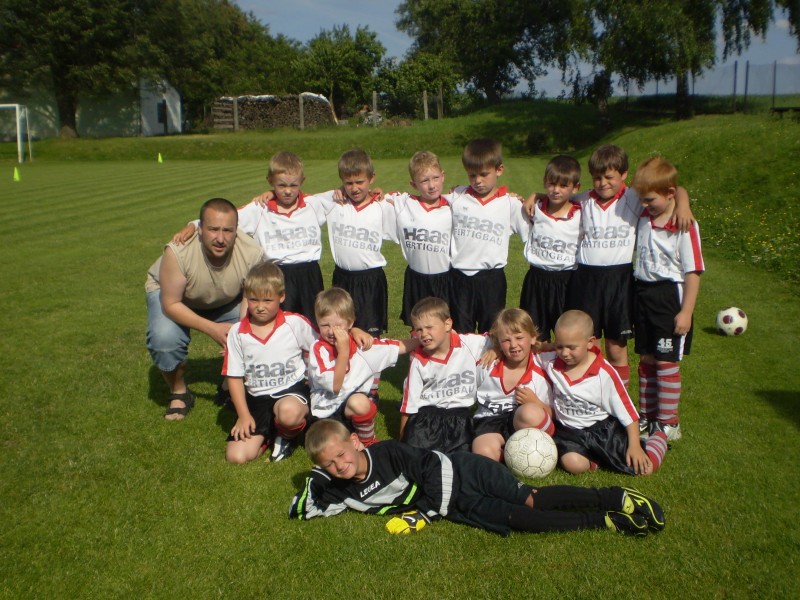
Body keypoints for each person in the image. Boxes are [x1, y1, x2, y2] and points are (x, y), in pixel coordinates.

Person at [289, 419, 666, 537]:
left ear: (356, 442)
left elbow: (433, 467)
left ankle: (614, 497)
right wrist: (317, 478)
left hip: (466, 471)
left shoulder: (388, 453)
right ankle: (605, 520)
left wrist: (424, 514)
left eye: (342, 455)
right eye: (330, 464)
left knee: (532, 499)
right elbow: (303, 508)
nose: (340, 466)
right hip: (459, 506)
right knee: (522, 521)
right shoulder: (340, 488)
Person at [564, 144, 693, 387]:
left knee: (616, 348)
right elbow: (556, 196)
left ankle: (619, 399)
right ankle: (590, 396)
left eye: (609, 177)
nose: (602, 183)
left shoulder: (633, 197)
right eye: (597, 178)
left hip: (620, 280)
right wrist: (535, 197)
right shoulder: (583, 200)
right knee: (588, 345)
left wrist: (683, 204)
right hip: (586, 280)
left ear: (624, 174)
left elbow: (674, 189)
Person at [171, 151, 327, 324]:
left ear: (302, 181)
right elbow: (227, 219)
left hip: (310, 275)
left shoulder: (314, 204)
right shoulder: (259, 208)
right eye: (281, 185)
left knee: (314, 323)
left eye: (293, 185)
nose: (288, 191)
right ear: (271, 181)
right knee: (277, 325)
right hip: (275, 274)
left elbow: (344, 195)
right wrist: (194, 225)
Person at [145, 197, 264, 420]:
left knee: (258, 329)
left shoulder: (252, 252)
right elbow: (171, 304)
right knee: (164, 339)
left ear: (236, 231)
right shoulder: (178, 252)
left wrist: (241, 334)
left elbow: (250, 299)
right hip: (176, 299)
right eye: (213, 229)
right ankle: (178, 391)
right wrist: (212, 329)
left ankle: (230, 384)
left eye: (227, 231)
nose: (220, 238)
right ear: (200, 229)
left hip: (225, 299)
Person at [544, 310, 668, 476]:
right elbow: (530, 351)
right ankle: (596, 461)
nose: (564, 353)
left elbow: (629, 413)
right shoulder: (552, 360)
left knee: (645, 469)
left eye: (571, 347)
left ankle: (658, 437)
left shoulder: (604, 374)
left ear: (590, 342)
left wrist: (635, 446)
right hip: (569, 433)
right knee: (571, 463)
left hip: (603, 433)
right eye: (560, 346)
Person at [632, 157, 704, 442]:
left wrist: (686, 312)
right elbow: (676, 190)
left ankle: (668, 422)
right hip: (642, 293)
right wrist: (680, 198)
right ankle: (647, 416)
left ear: (670, 193)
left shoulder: (684, 224)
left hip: (669, 297)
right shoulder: (644, 216)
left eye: (650, 200)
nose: (644, 204)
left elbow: (693, 272)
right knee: (647, 358)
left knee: (666, 361)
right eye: (642, 199)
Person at [222, 261, 315, 464]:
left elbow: (320, 347)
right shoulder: (237, 332)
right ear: (246, 297)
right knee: (237, 457)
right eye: (253, 300)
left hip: (291, 392)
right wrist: (243, 415)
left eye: (267, 300)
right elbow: (234, 377)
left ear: (282, 297)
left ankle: (286, 436)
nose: (260, 307)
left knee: (288, 414)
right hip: (257, 398)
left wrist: (314, 378)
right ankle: (270, 434)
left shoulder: (294, 323)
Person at [308, 288, 417, 447]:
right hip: (325, 409)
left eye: (338, 326)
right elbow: (335, 386)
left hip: (352, 406)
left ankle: (368, 442)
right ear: (317, 322)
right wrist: (344, 352)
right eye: (324, 325)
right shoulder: (318, 349)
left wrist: (423, 340)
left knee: (359, 402)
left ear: (350, 323)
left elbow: (397, 346)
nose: (331, 331)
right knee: (329, 446)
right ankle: (350, 437)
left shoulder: (362, 346)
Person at [447, 138, 528, 333]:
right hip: (459, 277)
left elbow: (534, 232)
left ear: (499, 170)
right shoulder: (456, 197)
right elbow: (429, 204)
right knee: (460, 334)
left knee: (491, 332)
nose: (478, 181)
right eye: (472, 175)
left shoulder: (511, 204)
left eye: (484, 174)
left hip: (492, 279)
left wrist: (535, 198)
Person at [321, 148, 398, 338]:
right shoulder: (334, 203)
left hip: (371, 280)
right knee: (339, 332)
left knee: (370, 337)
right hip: (342, 278)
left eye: (360, 182)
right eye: (348, 183)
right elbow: (301, 199)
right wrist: (272, 193)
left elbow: (408, 206)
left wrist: (385, 196)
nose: (354, 188)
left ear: (372, 178)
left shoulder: (382, 206)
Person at [400, 296, 490, 453]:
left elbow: (500, 335)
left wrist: (495, 350)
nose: (424, 334)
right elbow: (409, 405)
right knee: (416, 459)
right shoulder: (418, 359)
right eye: (419, 330)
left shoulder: (470, 344)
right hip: (426, 419)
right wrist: (402, 440)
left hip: (460, 417)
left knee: (462, 460)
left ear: (447, 324)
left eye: (429, 327)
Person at [472, 308, 555, 462]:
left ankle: (549, 449)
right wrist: (495, 349)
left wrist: (536, 403)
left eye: (519, 338)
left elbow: (554, 414)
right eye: (506, 340)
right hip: (489, 421)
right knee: (483, 452)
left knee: (530, 412)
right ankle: (509, 455)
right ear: (498, 342)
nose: (513, 345)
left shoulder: (541, 371)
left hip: (520, 422)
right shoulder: (486, 364)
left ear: (532, 338)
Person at [384, 151, 452, 327]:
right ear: (413, 184)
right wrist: (374, 193)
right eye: (424, 181)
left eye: (435, 178)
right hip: (416, 278)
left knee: (444, 326)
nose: (431, 185)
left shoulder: (454, 205)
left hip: (446, 278)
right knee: (417, 327)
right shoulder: (404, 203)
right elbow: (378, 197)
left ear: (443, 176)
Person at [519, 155, 582, 341]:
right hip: (536, 280)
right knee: (535, 336)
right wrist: (534, 195)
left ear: (575, 188)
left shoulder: (581, 214)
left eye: (563, 186)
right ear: (545, 182)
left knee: (568, 337)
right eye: (552, 184)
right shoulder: (535, 208)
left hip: (566, 281)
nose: (556, 190)